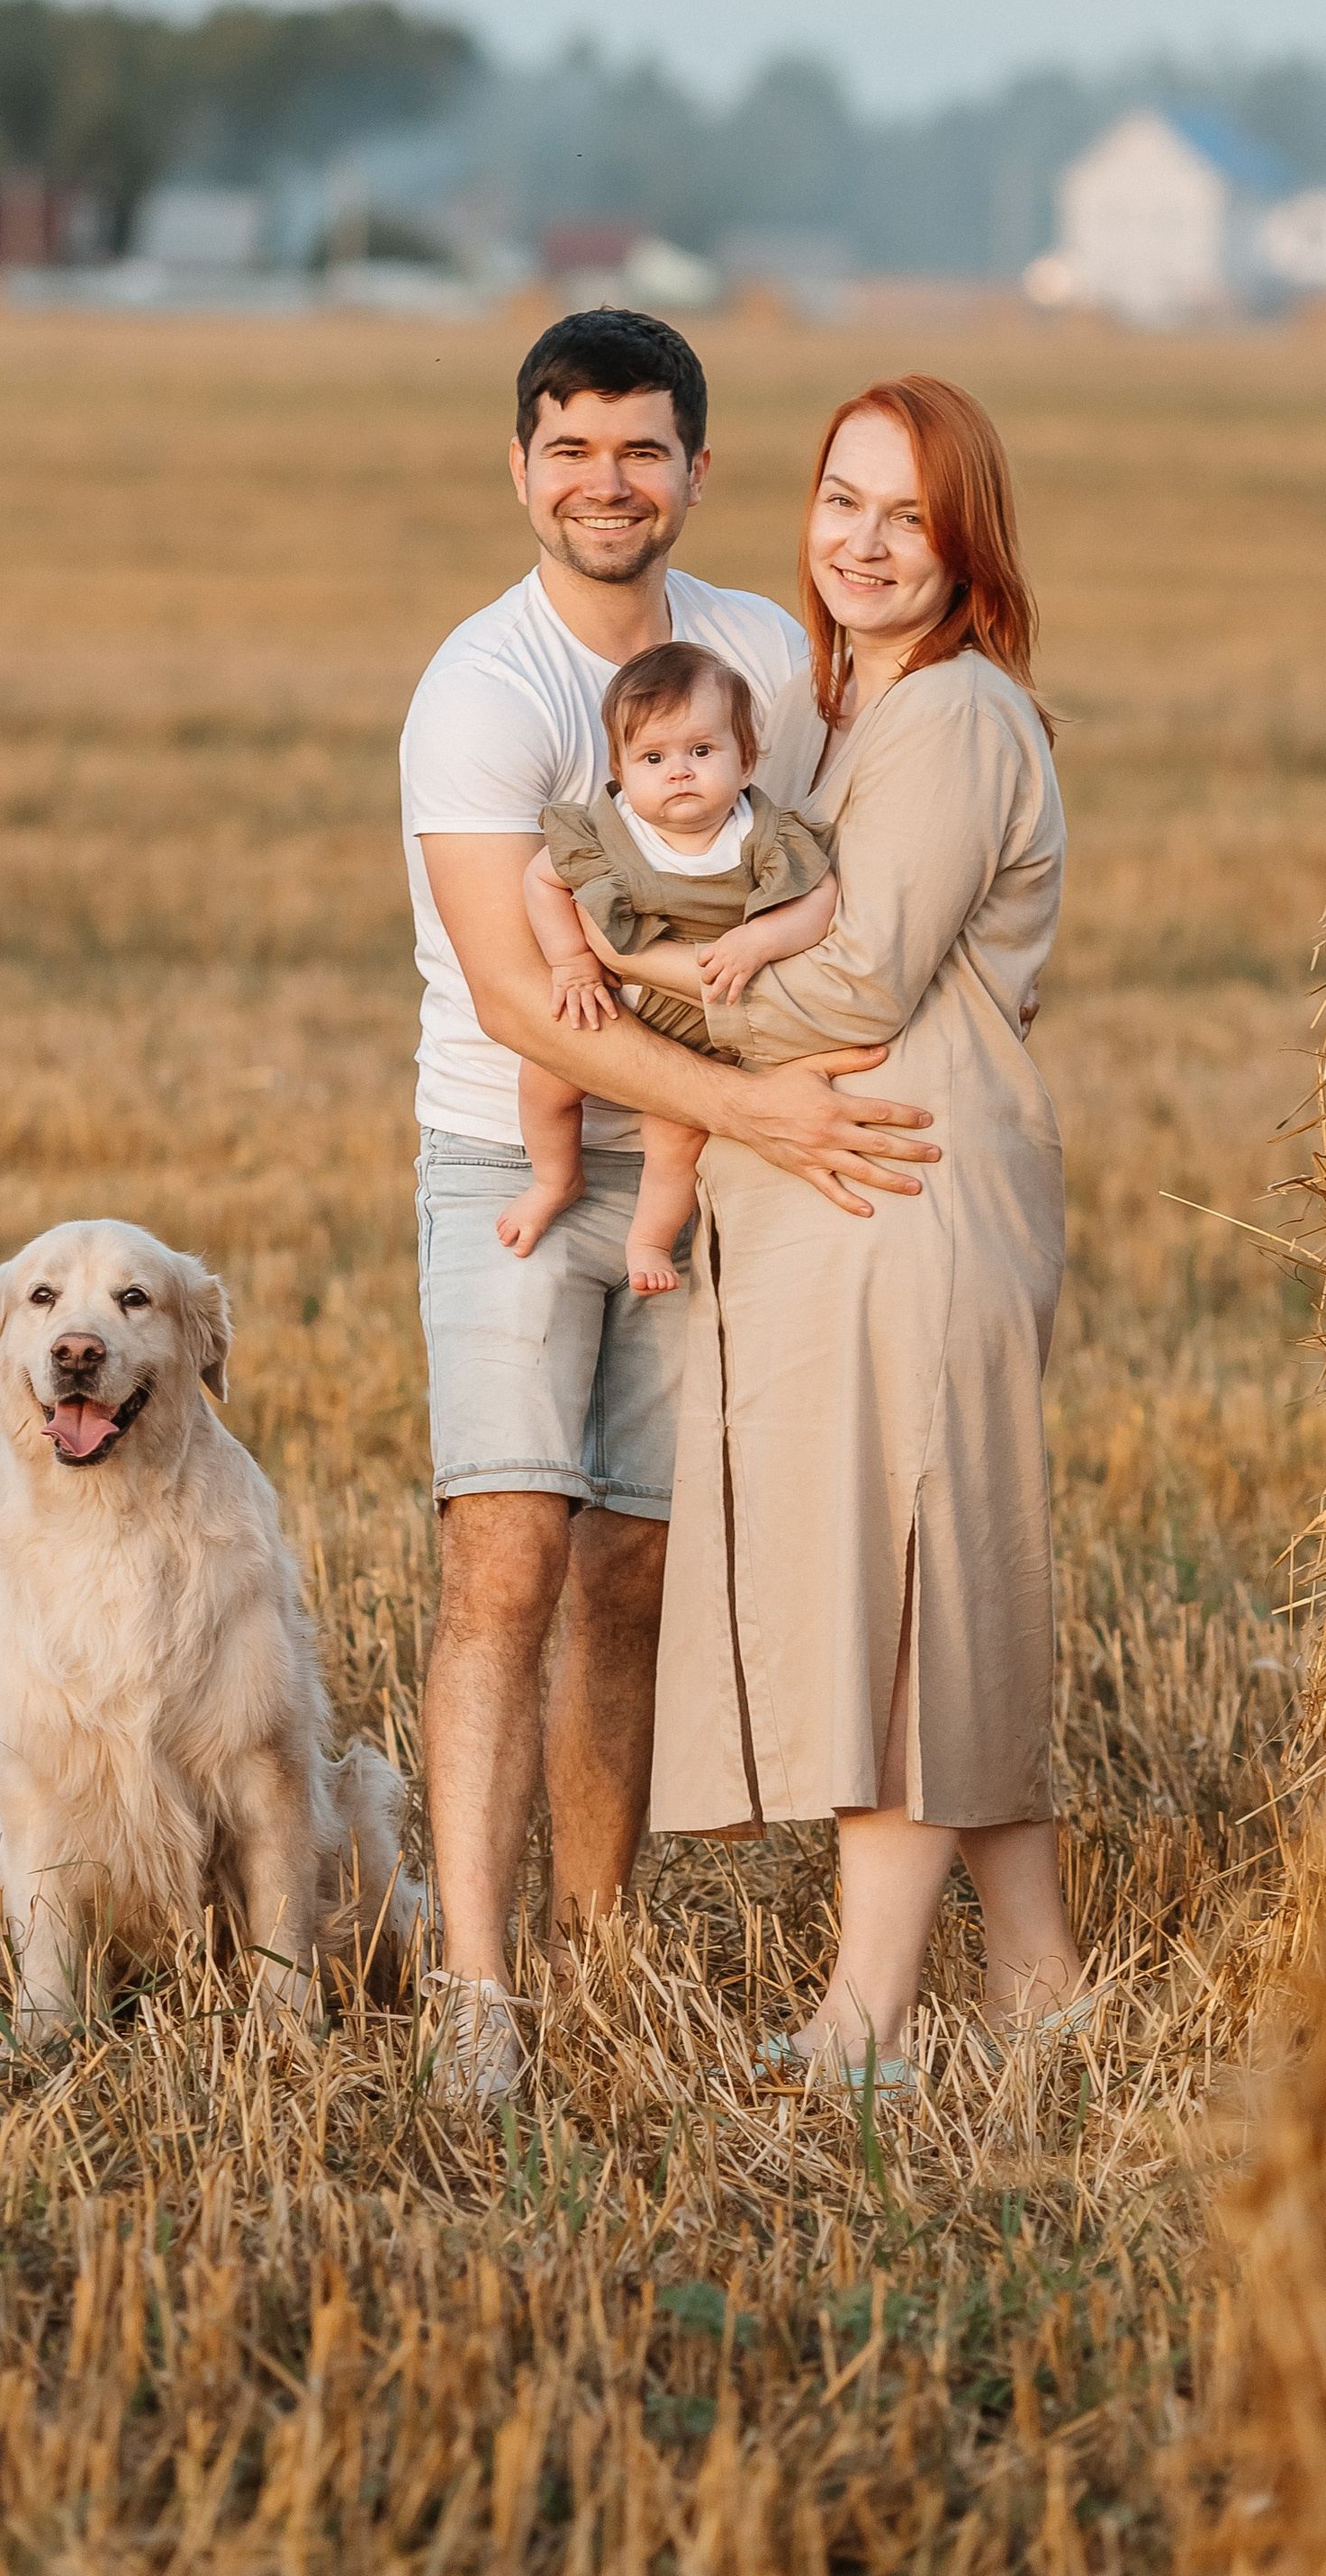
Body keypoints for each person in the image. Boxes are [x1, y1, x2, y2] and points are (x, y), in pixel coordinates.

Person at [401, 311, 940, 2102]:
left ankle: (601, 1944)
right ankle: (477, 1992)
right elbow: (506, 996)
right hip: (515, 1154)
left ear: (696, 474)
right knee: (506, 1554)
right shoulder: (477, 694)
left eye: (640, 451)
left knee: (631, 1562)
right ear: (519, 469)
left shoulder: (761, 656)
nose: (603, 482)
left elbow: (841, 867)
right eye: (569, 448)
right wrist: (750, 1110)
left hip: (708, 1155)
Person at [626, 374, 1087, 2077]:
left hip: (909, 1193)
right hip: (870, 1194)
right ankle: (1041, 1984)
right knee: (941, 1589)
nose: (866, 542)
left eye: (910, 514)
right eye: (842, 500)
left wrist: (642, 998)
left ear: (965, 541)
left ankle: (865, 2020)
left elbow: (864, 972)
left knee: (897, 1599)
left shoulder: (955, 715)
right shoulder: (850, 718)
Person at [500, 643, 838, 1292]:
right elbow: (542, 880)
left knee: (677, 1135)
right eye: (654, 758)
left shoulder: (762, 834)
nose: (679, 772)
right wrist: (572, 962)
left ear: (745, 760)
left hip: (703, 1020)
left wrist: (760, 940)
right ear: (621, 771)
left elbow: (821, 900)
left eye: (701, 752)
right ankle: (555, 1177)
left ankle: (649, 1239)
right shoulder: (610, 833)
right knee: (545, 1077)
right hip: (614, 1002)